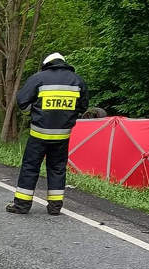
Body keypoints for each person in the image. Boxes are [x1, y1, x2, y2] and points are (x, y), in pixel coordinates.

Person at [6, 53, 88, 216]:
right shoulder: (77, 80)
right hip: (62, 135)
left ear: (47, 64)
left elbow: (22, 100)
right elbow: (83, 106)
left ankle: (22, 205)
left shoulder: (38, 78)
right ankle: (55, 207)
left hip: (39, 133)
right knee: (57, 169)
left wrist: (33, 114)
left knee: (30, 167)